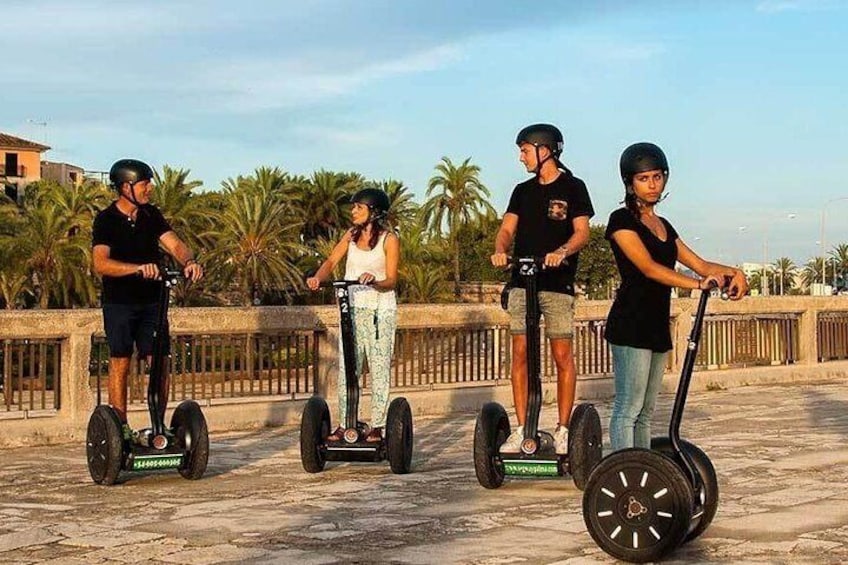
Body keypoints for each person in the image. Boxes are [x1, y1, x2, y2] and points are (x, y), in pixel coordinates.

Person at [605, 142, 748, 452]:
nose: (652, 184)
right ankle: (621, 470)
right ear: (630, 182)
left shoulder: (664, 226)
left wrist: (735, 273)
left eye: (657, 177)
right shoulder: (621, 221)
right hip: (631, 322)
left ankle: (641, 468)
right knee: (627, 409)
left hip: (656, 323)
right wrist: (697, 285)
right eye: (644, 179)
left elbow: (700, 265)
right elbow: (648, 268)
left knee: (645, 413)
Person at [491, 123, 595, 454]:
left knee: (561, 354)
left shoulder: (574, 187)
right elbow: (507, 229)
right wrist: (500, 248)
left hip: (557, 283)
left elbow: (582, 232)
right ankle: (522, 429)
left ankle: (564, 429)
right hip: (522, 282)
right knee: (520, 352)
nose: (521, 157)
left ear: (544, 150)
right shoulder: (522, 191)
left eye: (524, 150)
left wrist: (562, 252)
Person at [92, 159, 203, 438]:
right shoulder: (106, 220)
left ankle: (158, 427)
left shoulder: (151, 216)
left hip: (153, 302)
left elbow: (175, 245)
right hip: (119, 303)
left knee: (159, 361)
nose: (149, 188)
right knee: (121, 361)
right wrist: (137, 269)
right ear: (126, 186)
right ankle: (121, 429)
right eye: (144, 183)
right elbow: (101, 264)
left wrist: (189, 261)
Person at [306, 187, 399, 443]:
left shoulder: (389, 240)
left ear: (374, 211)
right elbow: (331, 262)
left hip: (380, 312)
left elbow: (392, 279)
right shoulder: (350, 235)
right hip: (351, 310)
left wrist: (374, 281)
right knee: (348, 369)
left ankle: (379, 425)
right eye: (353, 207)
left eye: (359, 207)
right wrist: (317, 278)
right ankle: (347, 423)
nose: (353, 211)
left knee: (379, 368)